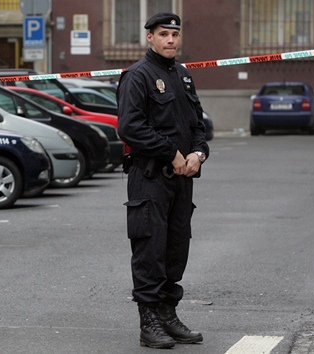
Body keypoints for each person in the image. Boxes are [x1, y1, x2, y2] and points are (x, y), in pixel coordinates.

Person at [116, 12, 209, 349]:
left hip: (182, 179)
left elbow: (198, 125)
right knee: (149, 249)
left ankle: (168, 314)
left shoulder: (183, 76)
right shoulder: (137, 76)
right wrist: (171, 153)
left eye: (174, 34)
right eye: (163, 34)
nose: (171, 40)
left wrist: (199, 155)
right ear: (150, 38)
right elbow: (130, 127)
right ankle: (149, 321)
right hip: (150, 177)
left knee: (175, 248)